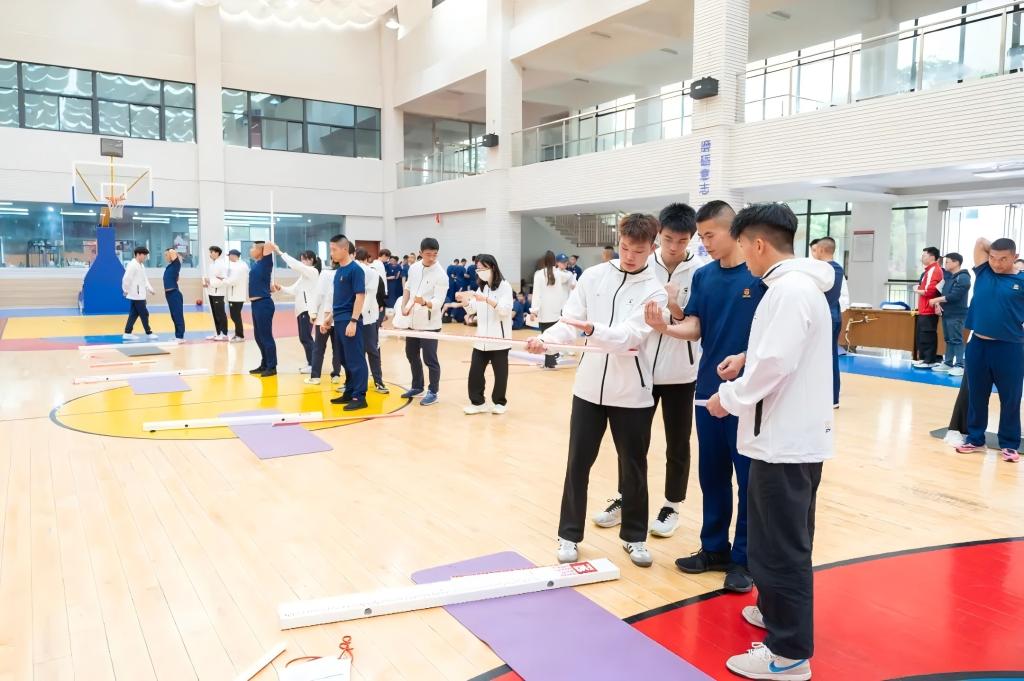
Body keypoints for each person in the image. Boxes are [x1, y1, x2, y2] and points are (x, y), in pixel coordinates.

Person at [700, 203, 835, 681]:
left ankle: (789, 654)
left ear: (757, 244)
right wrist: (746, 357)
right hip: (787, 439)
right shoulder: (794, 287)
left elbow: (775, 365)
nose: (742, 257)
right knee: (779, 541)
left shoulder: (789, 291)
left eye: (741, 246)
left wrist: (728, 398)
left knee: (780, 549)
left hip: (783, 443)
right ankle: (775, 612)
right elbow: (778, 353)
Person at [527, 213, 666, 568]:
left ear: (652, 248)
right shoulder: (593, 276)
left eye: (638, 250)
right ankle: (568, 534)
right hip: (588, 390)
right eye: (625, 247)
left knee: (633, 468)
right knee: (577, 463)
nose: (629, 256)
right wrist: (547, 340)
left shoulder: (655, 291)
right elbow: (569, 322)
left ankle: (634, 537)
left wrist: (592, 330)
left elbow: (628, 338)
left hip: (632, 394)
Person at [643, 200, 761, 593]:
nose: (704, 243)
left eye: (710, 235)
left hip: (748, 394)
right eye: (703, 236)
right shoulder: (706, 276)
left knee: (747, 479)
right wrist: (666, 326)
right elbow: (696, 325)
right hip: (707, 391)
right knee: (712, 475)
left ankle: (744, 559)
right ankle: (713, 549)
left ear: (733, 231)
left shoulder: (759, 276)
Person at [593, 203, 704, 540]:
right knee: (631, 443)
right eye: (668, 239)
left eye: (682, 241)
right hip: (639, 370)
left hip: (681, 373)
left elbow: (697, 322)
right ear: (658, 237)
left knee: (677, 443)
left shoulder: (700, 272)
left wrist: (673, 306)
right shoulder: (643, 264)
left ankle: (672, 505)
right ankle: (626, 497)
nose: (674, 247)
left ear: (691, 239)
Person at [955, 237, 1024, 463]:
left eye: (1003, 259)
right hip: (978, 345)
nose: (996, 263)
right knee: (977, 395)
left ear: (1015, 257)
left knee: (1011, 398)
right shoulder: (984, 272)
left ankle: (1010, 444)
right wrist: (994, 251)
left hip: (1010, 347)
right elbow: (980, 242)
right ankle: (975, 439)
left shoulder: (1022, 280)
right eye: (993, 257)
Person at [457, 254, 514, 415]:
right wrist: (464, 300)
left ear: (492, 267)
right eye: (478, 269)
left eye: (482, 269)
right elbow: (472, 309)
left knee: (500, 374)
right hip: (481, 339)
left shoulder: (505, 286)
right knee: (475, 372)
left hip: (499, 340)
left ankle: (500, 402)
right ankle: (478, 403)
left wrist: (487, 299)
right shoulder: (481, 287)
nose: (479, 272)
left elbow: (505, 310)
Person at [401, 238, 448, 406]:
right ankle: (417, 386)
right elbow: (408, 288)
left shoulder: (441, 275)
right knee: (411, 354)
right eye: (428, 254)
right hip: (412, 322)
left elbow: (439, 301)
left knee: (430, 359)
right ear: (420, 253)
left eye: (435, 254)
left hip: (430, 324)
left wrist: (425, 302)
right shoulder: (414, 268)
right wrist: (403, 306)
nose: (432, 258)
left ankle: (433, 391)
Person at [326, 235, 369, 411]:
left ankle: (360, 396)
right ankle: (350, 391)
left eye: (334, 249)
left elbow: (360, 296)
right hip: (338, 320)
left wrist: (353, 321)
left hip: (349, 320)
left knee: (355, 359)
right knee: (344, 359)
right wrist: (329, 318)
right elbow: (339, 299)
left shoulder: (355, 270)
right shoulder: (338, 272)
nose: (331, 253)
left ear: (345, 249)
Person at [809, 236, 846, 407]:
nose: (814, 253)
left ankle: (830, 398)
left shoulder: (828, 269)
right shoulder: (833, 268)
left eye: (815, 250)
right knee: (827, 357)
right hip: (831, 317)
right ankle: (829, 397)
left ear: (822, 250)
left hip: (827, 318)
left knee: (826, 358)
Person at [530, 251, 576, 369]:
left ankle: (550, 362)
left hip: (544, 312)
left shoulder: (539, 274)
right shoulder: (560, 274)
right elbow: (570, 278)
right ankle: (551, 360)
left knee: (545, 336)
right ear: (555, 262)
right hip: (556, 312)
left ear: (544, 261)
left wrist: (534, 311)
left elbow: (536, 294)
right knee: (553, 337)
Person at [278, 249, 321, 373]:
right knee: (304, 338)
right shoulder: (304, 276)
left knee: (306, 338)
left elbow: (296, 265)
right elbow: (294, 290)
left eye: (304, 259)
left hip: (307, 310)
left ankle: (313, 365)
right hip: (301, 310)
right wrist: (281, 287)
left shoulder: (313, 272)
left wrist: (280, 253)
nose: (302, 262)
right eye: (301, 259)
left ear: (311, 260)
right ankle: (311, 362)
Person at [930, 252, 971, 377]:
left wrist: (936, 300)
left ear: (956, 263)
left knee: (956, 339)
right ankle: (948, 363)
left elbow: (954, 296)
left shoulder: (963, 277)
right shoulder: (950, 277)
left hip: (957, 314)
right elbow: (944, 294)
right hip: (947, 313)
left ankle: (959, 365)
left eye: (947, 262)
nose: (945, 264)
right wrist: (938, 304)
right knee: (948, 339)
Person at [356, 248, 389, 395]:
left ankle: (377, 381)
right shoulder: (357, 272)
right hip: (360, 317)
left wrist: (379, 309)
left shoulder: (372, 273)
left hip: (369, 317)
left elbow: (381, 294)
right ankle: (361, 382)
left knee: (371, 349)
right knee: (363, 350)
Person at [306, 255, 342, 386]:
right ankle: (336, 374)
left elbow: (319, 295)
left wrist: (313, 312)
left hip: (323, 318)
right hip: (339, 317)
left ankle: (315, 376)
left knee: (319, 348)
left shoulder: (325, 274)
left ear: (332, 261)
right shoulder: (344, 273)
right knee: (337, 348)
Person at [248, 240, 278, 377]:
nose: (251, 250)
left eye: (253, 248)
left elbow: (269, 244)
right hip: (255, 304)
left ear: (261, 250)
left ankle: (272, 366)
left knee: (266, 337)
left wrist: (266, 246)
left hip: (264, 304)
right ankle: (265, 364)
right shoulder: (256, 264)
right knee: (258, 337)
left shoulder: (266, 262)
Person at [912, 246, 944, 368]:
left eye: (924, 255)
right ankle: (923, 358)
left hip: (929, 309)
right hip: (923, 309)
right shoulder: (928, 270)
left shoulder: (934, 270)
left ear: (932, 257)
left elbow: (930, 291)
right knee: (922, 335)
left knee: (928, 334)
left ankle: (929, 360)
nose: (922, 257)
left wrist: (916, 290)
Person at [122, 246, 157, 340]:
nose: (145, 257)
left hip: (139, 294)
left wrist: (150, 289)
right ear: (138, 254)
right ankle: (148, 332)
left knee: (133, 314)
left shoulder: (141, 265)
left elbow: (144, 279)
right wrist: (125, 290)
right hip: (136, 295)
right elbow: (126, 278)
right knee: (144, 314)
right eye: (144, 255)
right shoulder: (132, 265)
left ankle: (127, 332)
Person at [204, 245, 230, 341]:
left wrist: (210, 281)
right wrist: (207, 283)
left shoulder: (222, 265)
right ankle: (217, 332)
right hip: (211, 292)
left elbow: (223, 279)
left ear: (217, 253)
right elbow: (212, 278)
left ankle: (224, 333)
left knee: (220, 314)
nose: (210, 254)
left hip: (218, 293)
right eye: (210, 252)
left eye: (211, 252)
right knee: (214, 313)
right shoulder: (212, 265)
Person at [225, 249, 249, 342]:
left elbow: (233, 281)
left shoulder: (239, 267)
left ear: (234, 256)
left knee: (235, 316)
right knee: (235, 316)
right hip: (235, 295)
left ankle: (240, 335)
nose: (229, 258)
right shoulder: (240, 265)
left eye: (229, 256)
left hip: (236, 296)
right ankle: (238, 334)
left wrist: (223, 280)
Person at [163, 247, 186, 343]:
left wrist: (171, 251)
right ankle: (177, 336)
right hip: (169, 294)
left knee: (177, 315)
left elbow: (173, 251)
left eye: (166, 255)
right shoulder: (170, 266)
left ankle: (180, 337)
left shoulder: (176, 263)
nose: (165, 257)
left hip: (174, 294)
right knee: (174, 316)